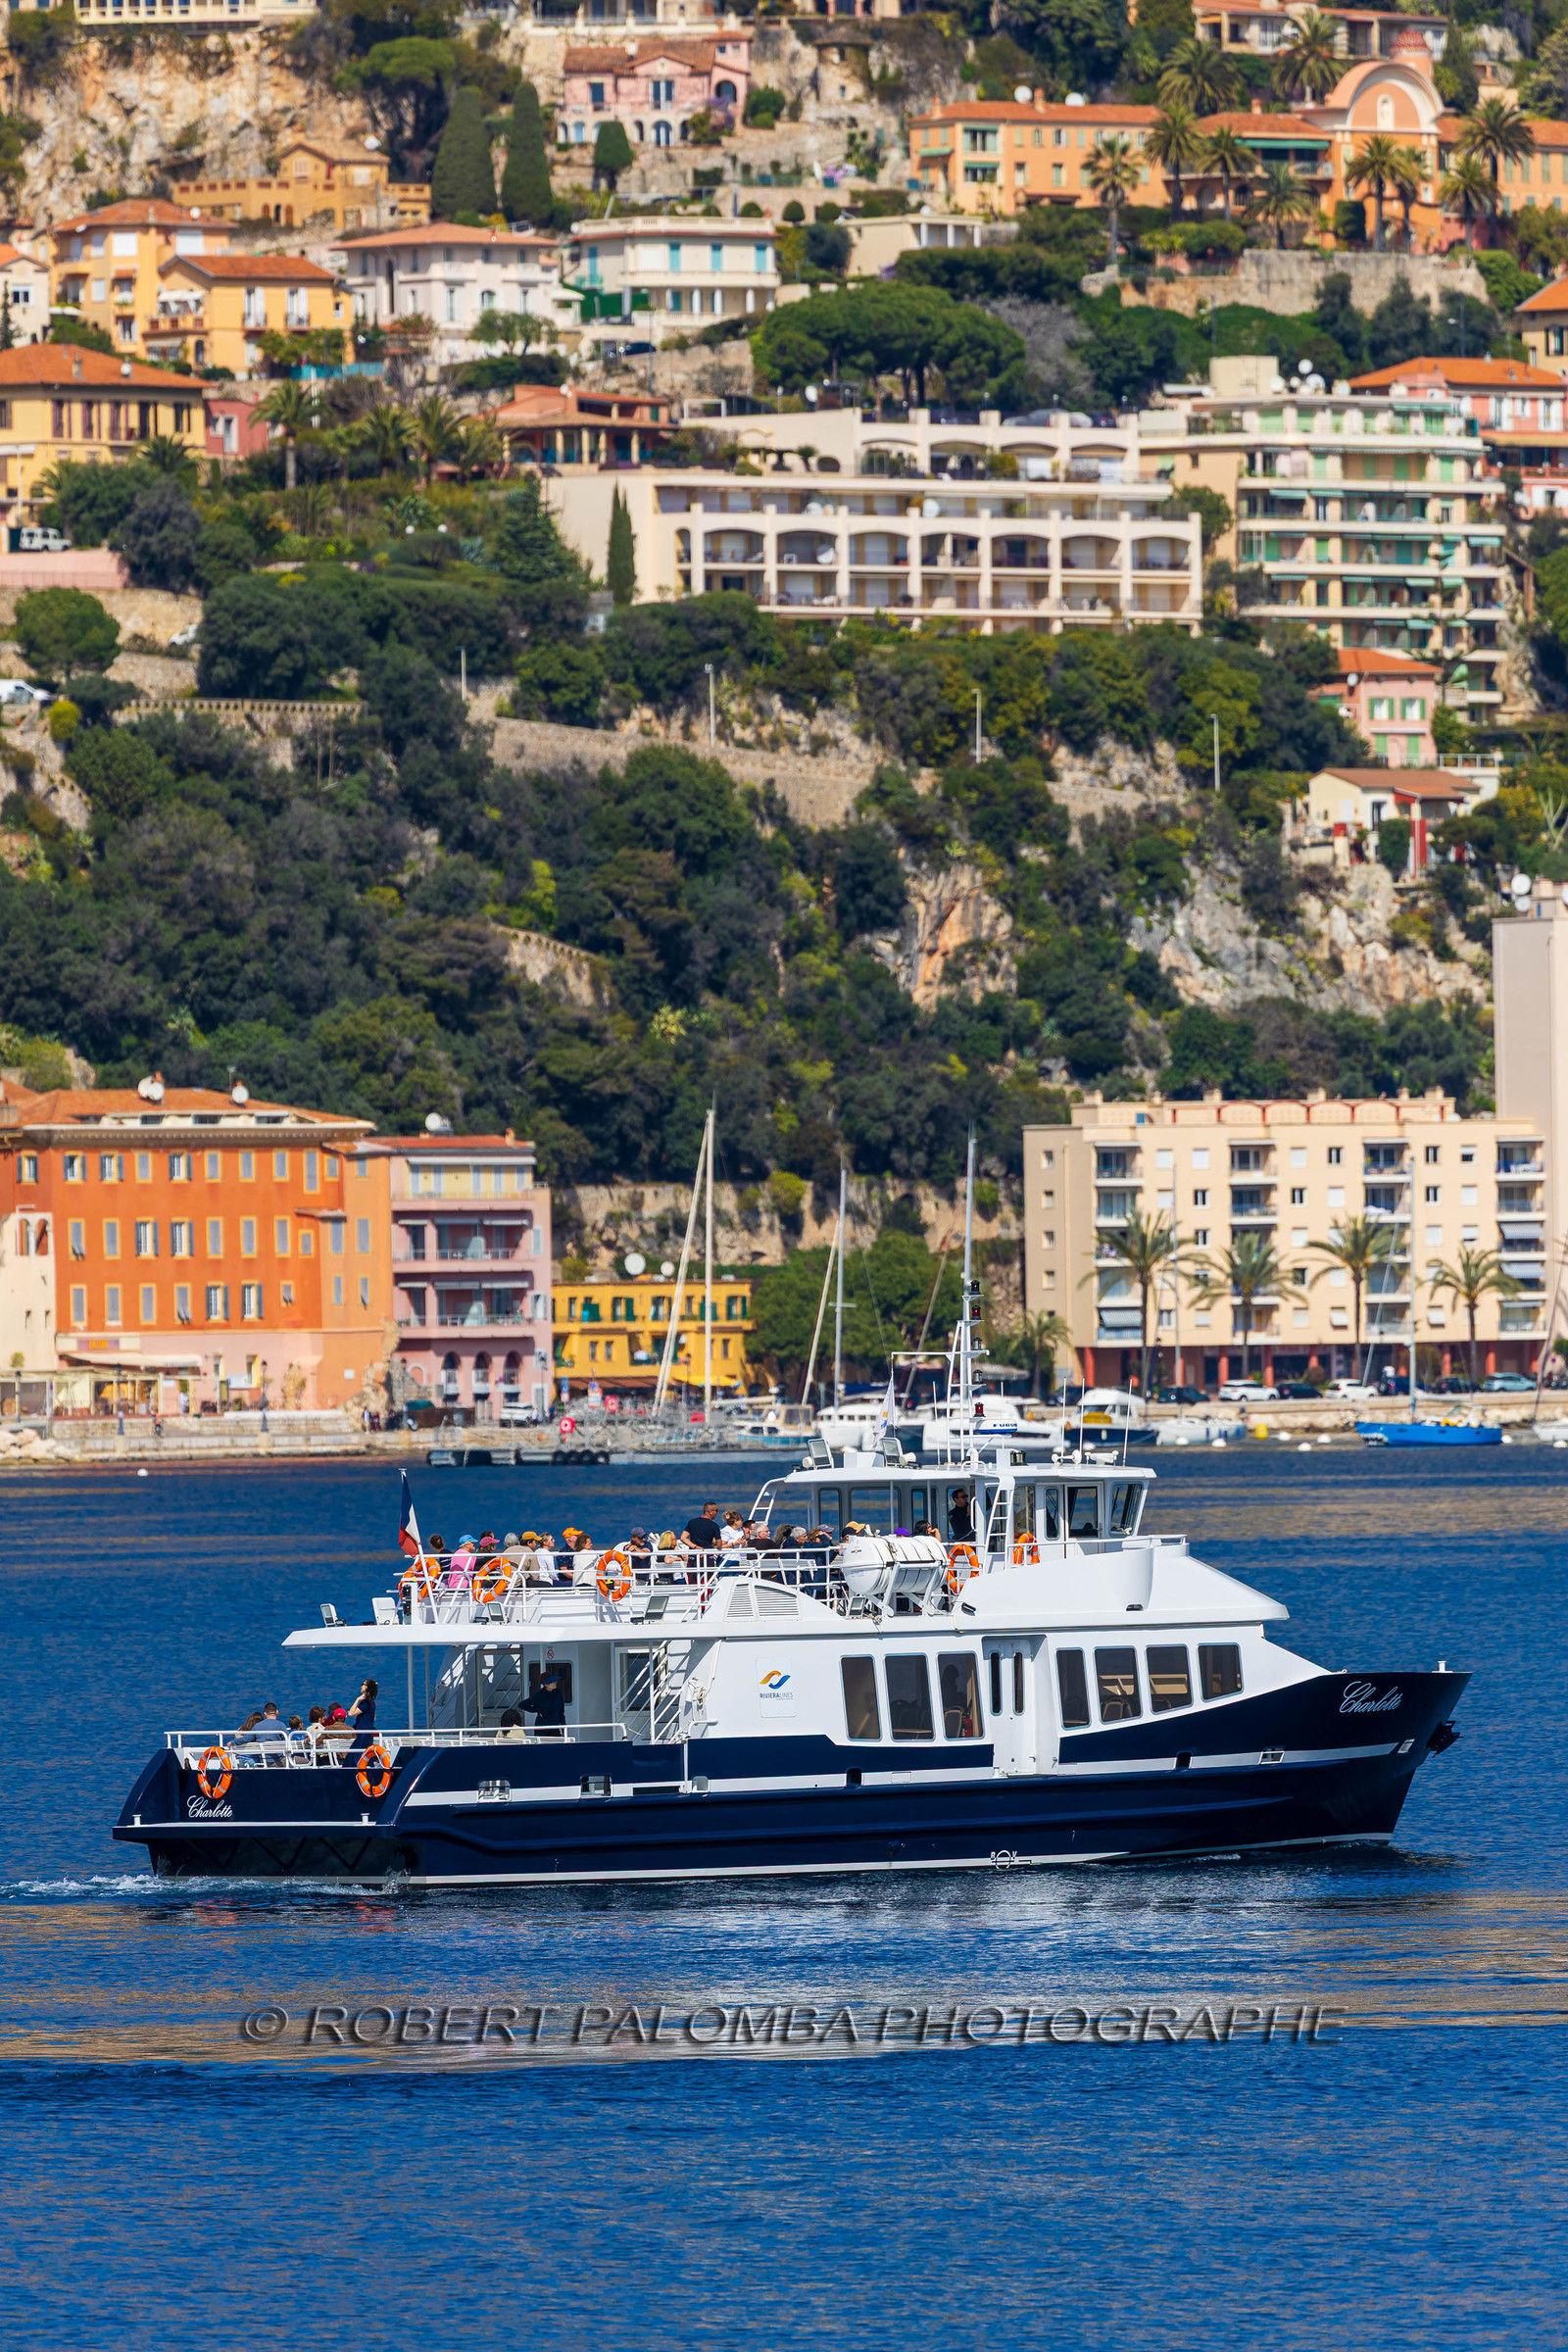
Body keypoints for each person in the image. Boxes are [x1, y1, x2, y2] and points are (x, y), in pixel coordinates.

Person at [522, 1670, 565, 1738]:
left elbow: (561, 1712)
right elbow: (522, 1705)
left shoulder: (558, 1693)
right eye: (552, 1682)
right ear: (546, 1684)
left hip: (554, 1727)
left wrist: (564, 1730)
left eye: (555, 1681)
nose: (555, 1683)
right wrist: (537, 1709)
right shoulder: (539, 1695)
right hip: (541, 1728)